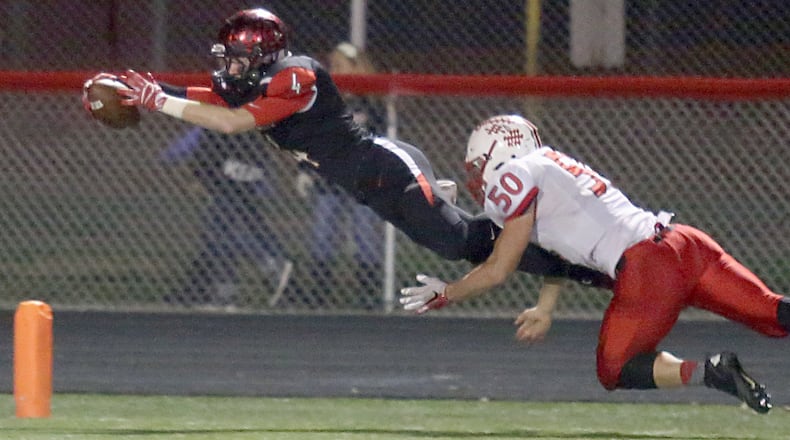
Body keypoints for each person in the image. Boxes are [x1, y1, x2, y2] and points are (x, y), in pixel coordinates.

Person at [95, 8, 611, 289]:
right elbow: (208, 97)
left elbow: (229, 122)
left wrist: (159, 100)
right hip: (366, 183)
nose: (227, 67)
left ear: (266, 54)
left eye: (235, 57)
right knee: (459, 241)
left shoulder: (297, 75)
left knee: (463, 244)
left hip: (385, 170)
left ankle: (575, 263)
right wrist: (137, 91)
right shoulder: (260, 77)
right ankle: (551, 248)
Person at [400, 114, 790, 414]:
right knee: (774, 312)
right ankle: (718, 370)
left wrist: (447, 293)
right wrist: (545, 306)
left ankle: (712, 372)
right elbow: (557, 254)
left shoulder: (516, 175)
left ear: (501, 152)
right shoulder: (548, 166)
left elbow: (500, 266)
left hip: (649, 268)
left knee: (614, 368)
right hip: (686, 244)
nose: (478, 178)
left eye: (479, 166)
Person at [161, 126, 293, 308]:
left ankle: (270, 257)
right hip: (229, 181)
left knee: (222, 236)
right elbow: (193, 151)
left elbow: (209, 153)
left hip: (233, 181)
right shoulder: (216, 124)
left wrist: (203, 176)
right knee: (221, 235)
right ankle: (225, 289)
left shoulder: (232, 121)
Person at [295, 42, 385, 303]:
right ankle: (320, 292)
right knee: (322, 233)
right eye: (332, 65)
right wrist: (305, 170)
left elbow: (381, 140)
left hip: (362, 178)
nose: (334, 70)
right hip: (329, 177)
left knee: (365, 233)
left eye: (340, 65)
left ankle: (369, 293)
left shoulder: (372, 103)